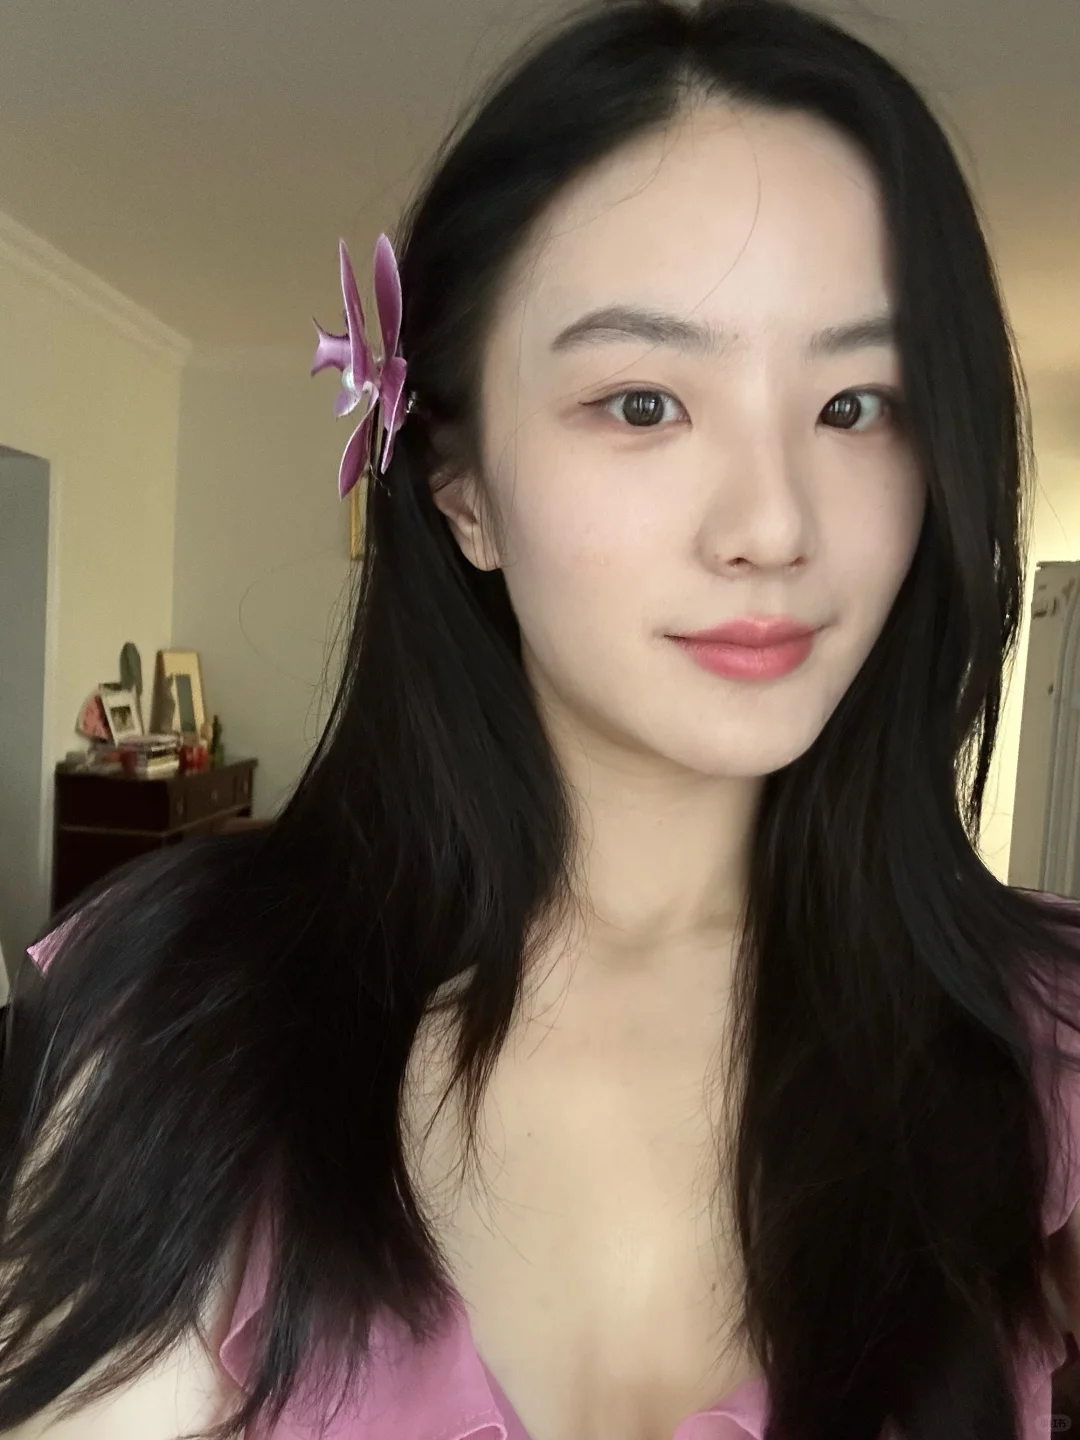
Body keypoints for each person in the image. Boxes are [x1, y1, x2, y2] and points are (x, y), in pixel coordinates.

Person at [2, 1, 1080, 1437]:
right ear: (461, 486)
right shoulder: (186, 1006)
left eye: (856, 406)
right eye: (642, 403)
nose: (773, 525)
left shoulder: (1045, 1035)